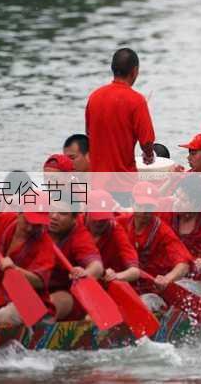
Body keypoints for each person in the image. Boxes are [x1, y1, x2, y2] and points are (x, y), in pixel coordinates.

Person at [85, 48, 155, 200]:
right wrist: (149, 155)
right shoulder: (136, 101)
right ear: (135, 71)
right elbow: (147, 141)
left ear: (113, 69)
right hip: (124, 185)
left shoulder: (94, 97)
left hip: (97, 184)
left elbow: (89, 133)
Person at [0, 199, 56, 326]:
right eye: (27, 221)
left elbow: (40, 281)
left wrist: (15, 269)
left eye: (37, 224)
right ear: (19, 213)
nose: (30, 228)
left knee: (4, 317)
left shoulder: (45, 242)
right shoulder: (5, 220)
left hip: (32, 301)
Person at [48, 196, 104, 321]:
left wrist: (85, 273)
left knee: (49, 307)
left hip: (66, 293)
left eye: (62, 213)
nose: (54, 216)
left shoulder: (80, 236)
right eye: (51, 210)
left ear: (74, 218)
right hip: (36, 286)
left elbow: (97, 266)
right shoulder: (36, 225)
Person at [84, 190, 140, 283]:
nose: (100, 222)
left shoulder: (115, 229)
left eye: (104, 218)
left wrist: (116, 276)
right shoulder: (74, 225)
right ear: (86, 211)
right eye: (96, 216)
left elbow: (135, 271)